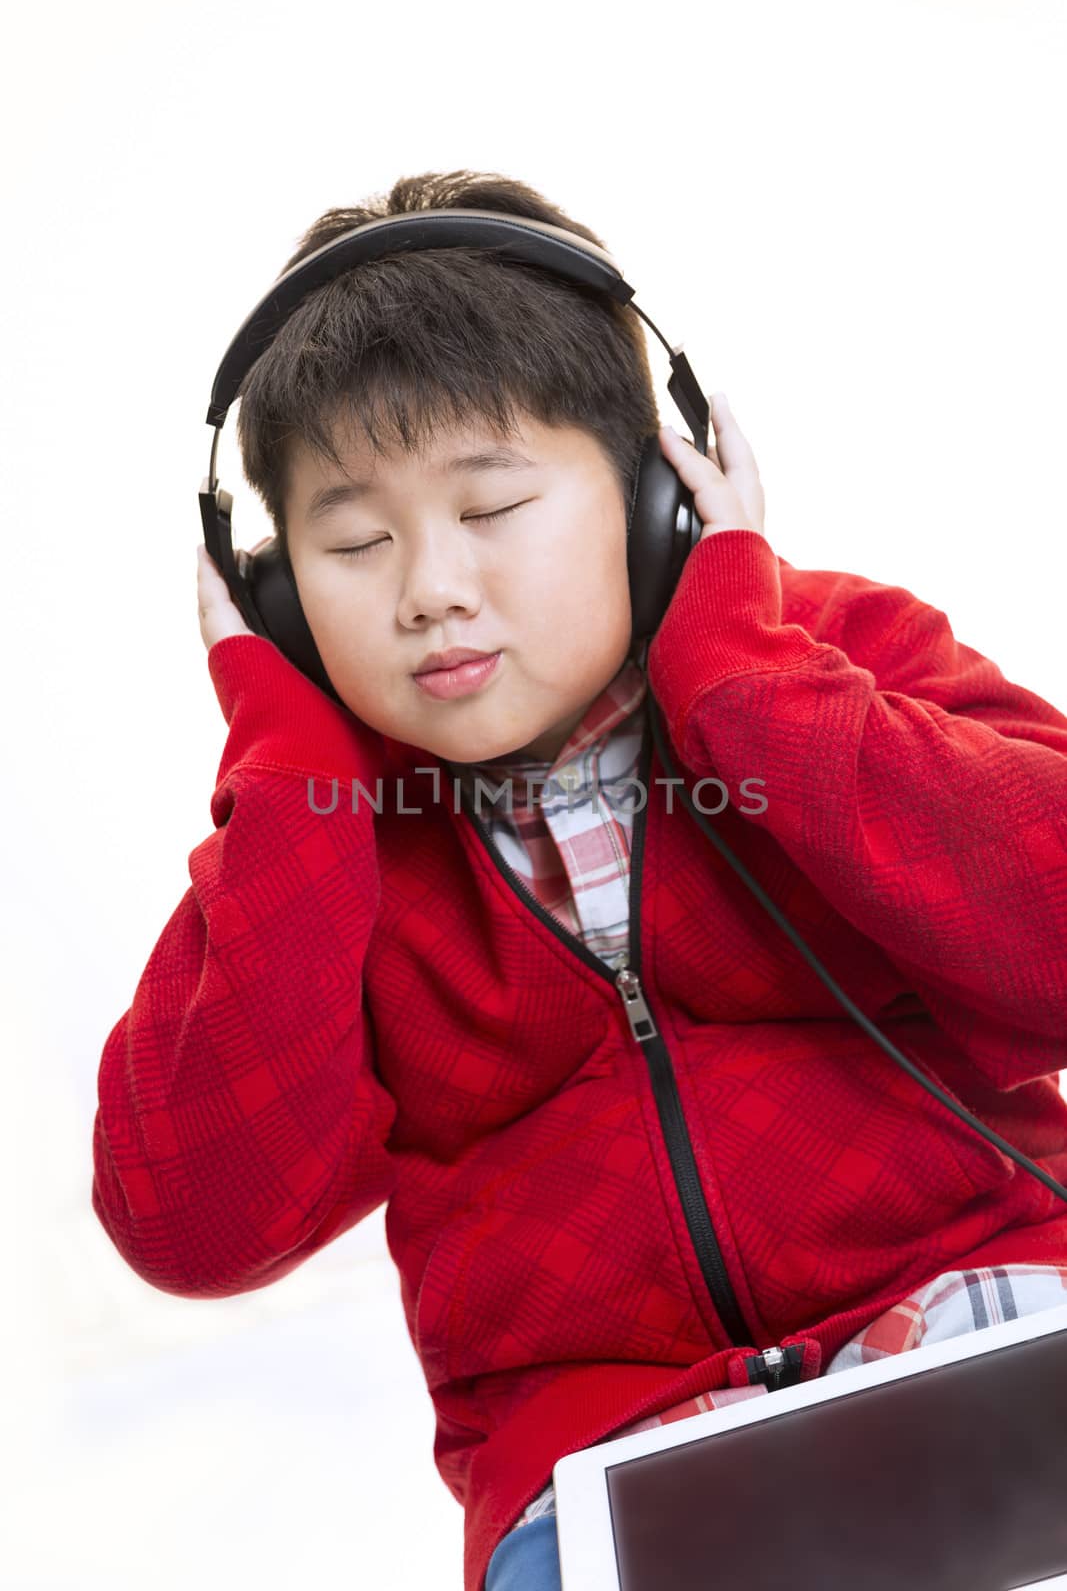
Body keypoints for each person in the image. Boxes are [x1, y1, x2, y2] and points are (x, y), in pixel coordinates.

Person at [92, 169, 1067, 1591]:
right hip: (608, 1470)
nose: (427, 586)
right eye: (355, 546)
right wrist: (295, 778)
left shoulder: (834, 654)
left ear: (656, 499)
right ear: (280, 598)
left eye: (490, 508)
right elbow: (192, 1226)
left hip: (989, 1324)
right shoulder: (318, 834)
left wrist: (747, 675)